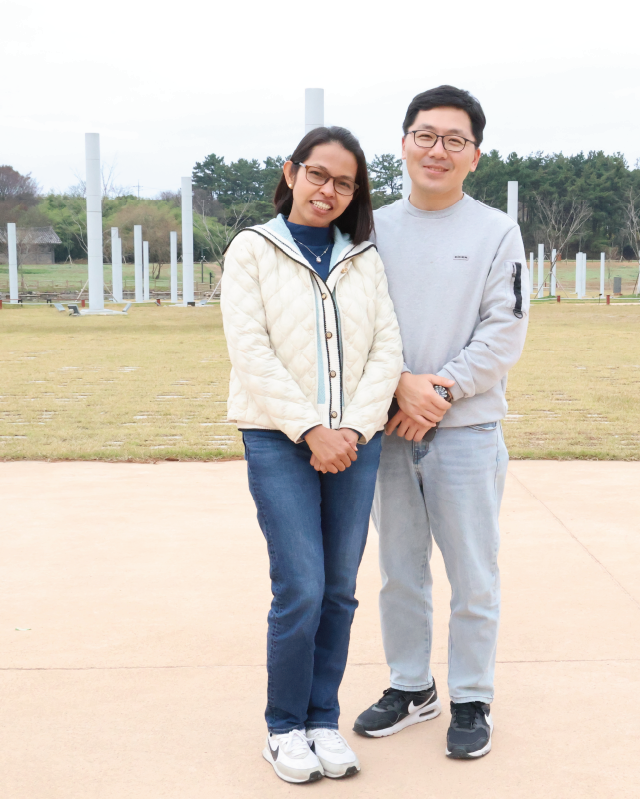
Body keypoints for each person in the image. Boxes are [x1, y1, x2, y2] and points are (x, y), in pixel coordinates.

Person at [220, 126, 403, 784]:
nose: (329, 190)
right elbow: (250, 350)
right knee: (300, 587)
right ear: (291, 172)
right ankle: (283, 728)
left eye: (344, 183)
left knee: (339, 591)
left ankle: (323, 719)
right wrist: (310, 430)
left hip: (355, 441)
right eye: (318, 174)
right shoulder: (252, 249)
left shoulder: (364, 257)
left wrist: (351, 429)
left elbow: (387, 349)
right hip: (277, 438)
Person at [352, 86, 529, 759]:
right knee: (399, 571)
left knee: (473, 574)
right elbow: (354, 323)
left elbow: (504, 329)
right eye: (426, 135)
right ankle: (410, 686)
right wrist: (400, 386)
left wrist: (440, 392)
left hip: (466, 433)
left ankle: (472, 696)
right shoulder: (368, 229)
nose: (438, 150)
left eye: (455, 140)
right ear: (403, 143)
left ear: (474, 156)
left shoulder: (496, 231)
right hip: (388, 428)